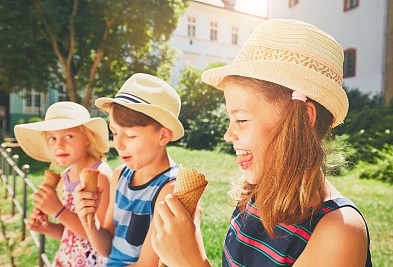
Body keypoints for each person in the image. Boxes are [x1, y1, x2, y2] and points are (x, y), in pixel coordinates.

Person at [151, 19, 373, 267]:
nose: (228, 134)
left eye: (242, 119)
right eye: (230, 119)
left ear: (305, 118)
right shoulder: (255, 197)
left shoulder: (339, 233)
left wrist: (190, 261)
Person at [74, 73, 185, 266]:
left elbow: (146, 265)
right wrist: (88, 220)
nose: (118, 143)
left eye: (130, 135)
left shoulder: (170, 189)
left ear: (163, 136)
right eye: (114, 132)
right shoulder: (120, 175)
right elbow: (106, 247)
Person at [14, 101, 112, 266]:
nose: (59, 145)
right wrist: (46, 227)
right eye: (52, 138)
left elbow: (99, 237)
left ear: (87, 138)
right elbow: (72, 233)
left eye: (68, 136)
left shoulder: (99, 176)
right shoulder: (64, 178)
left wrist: (57, 210)